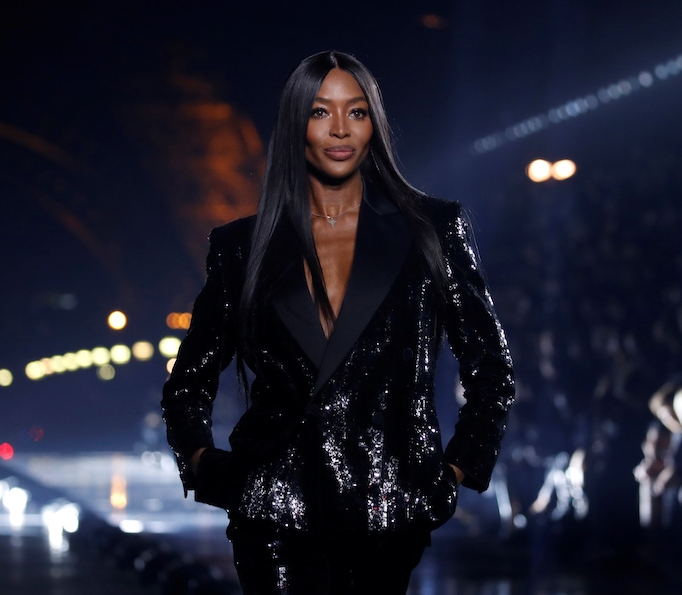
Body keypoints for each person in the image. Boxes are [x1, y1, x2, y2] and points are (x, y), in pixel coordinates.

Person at [161, 50, 516, 594]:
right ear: (295, 124)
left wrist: (452, 474)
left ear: (374, 124)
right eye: (320, 111)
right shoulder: (241, 246)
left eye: (357, 111)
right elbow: (189, 380)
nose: (340, 129)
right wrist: (204, 463)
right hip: (273, 504)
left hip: (389, 503)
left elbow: (491, 368)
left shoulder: (431, 229)